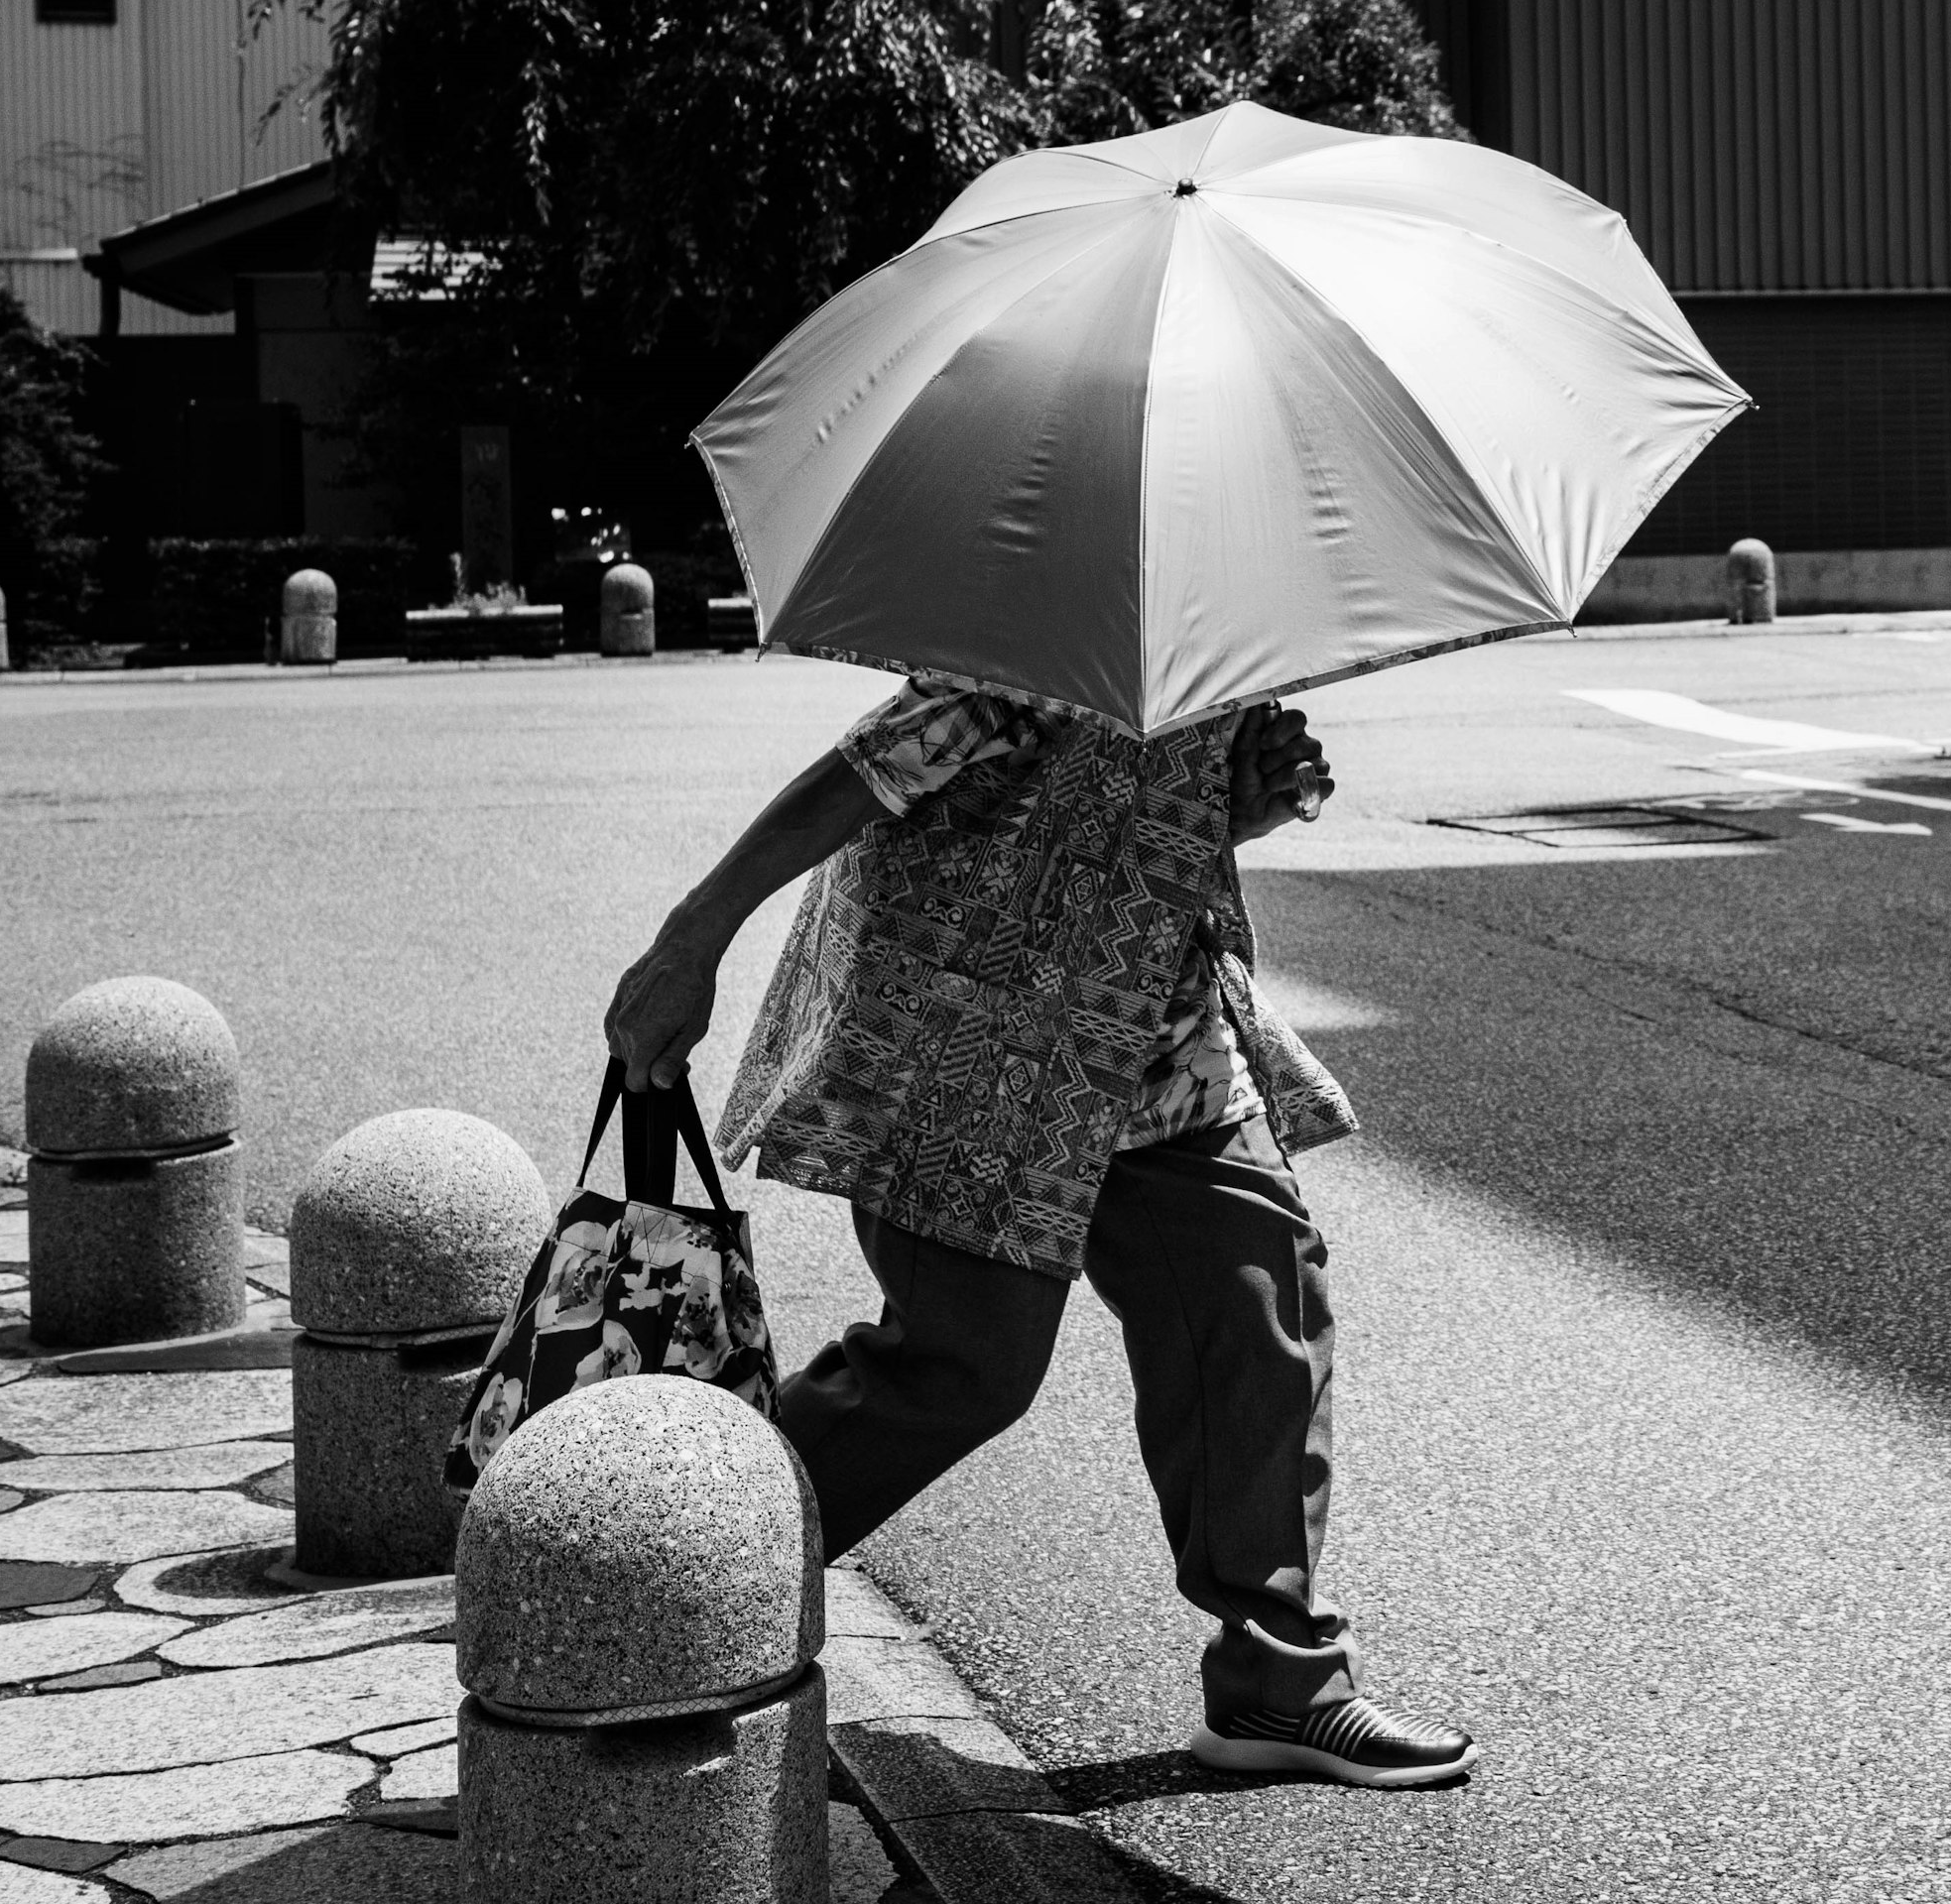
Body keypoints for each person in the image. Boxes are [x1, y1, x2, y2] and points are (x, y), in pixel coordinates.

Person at [602, 675, 1473, 1789]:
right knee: (964, 1366)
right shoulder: (1036, 637)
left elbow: (1152, 827)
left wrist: (1239, 804)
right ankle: (663, 1582)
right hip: (984, 1057)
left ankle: (1279, 1678)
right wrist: (694, 936)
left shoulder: (1218, 646)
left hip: (1163, 1054)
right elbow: (862, 772)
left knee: (1258, 1305)